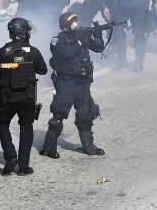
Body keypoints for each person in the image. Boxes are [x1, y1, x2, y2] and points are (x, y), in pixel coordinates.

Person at [40, 12, 108, 159]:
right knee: (58, 115)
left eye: (77, 20)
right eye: (73, 21)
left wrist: (97, 35)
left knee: (86, 114)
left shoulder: (81, 35)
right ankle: (48, 147)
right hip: (66, 82)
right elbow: (65, 53)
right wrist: (80, 41)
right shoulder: (57, 40)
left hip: (83, 82)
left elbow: (98, 48)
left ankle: (88, 147)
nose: (76, 23)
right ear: (65, 24)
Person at [0, 18, 48, 176]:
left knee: (2, 124)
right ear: (24, 33)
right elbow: (43, 70)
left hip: (7, 97)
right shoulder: (33, 51)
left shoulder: (2, 52)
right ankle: (23, 166)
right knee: (26, 127)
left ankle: (10, 156)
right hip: (27, 98)